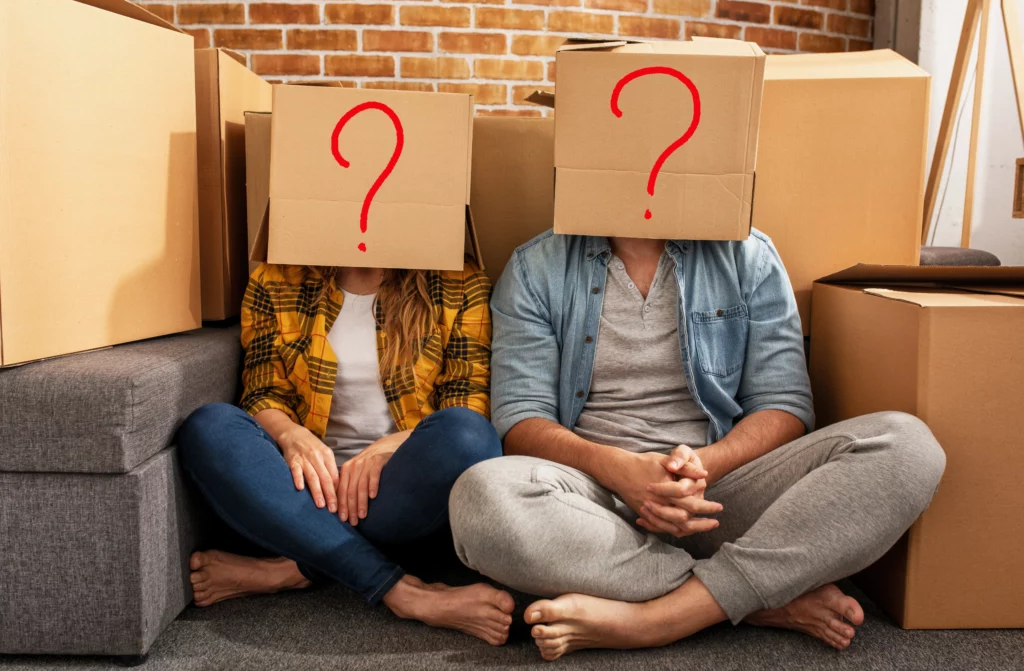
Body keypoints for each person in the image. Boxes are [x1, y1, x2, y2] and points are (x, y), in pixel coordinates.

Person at [449, 231, 946, 659]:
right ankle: (758, 600)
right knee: (479, 497)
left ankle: (657, 620)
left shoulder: (748, 253)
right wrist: (617, 468)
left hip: (721, 491)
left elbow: (786, 404)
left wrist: (704, 465)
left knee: (906, 446)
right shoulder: (537, 265)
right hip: (594, 505)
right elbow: (520, 419)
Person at [177, 259, 514, 646]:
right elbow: (261, 391)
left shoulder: (457, 280)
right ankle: (405, 593)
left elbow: (467, 401)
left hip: (393, 492)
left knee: (471, 436)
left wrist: (387, 447)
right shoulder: (277, 277)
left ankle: (295, 567)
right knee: (209, 427)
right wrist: (291, 435)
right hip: (301, 491)